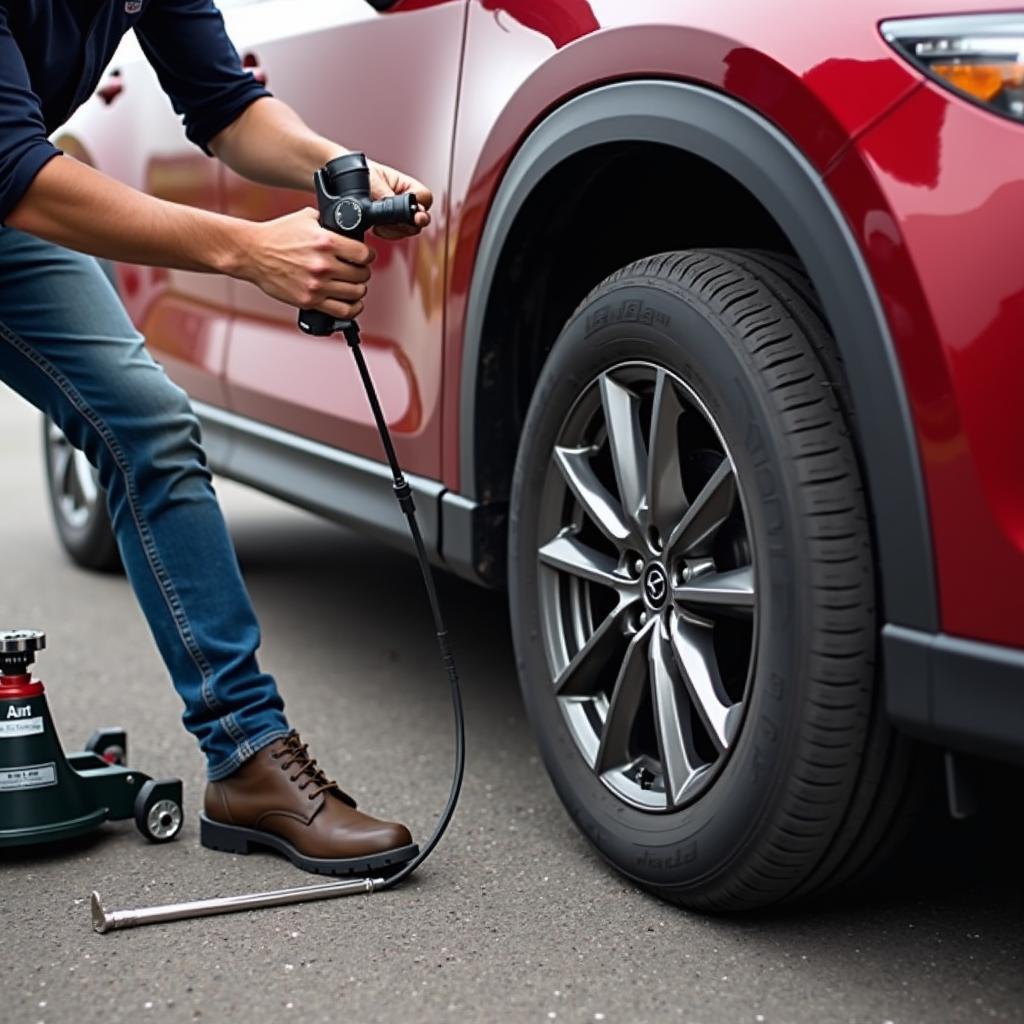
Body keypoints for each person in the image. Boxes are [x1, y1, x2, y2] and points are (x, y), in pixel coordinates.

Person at [0, 1, 432, 875]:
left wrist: (337, 166)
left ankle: (248, 759)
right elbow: (16, 170)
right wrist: (248, 251)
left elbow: (225, 105)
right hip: (10, 181)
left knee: (148, 423)